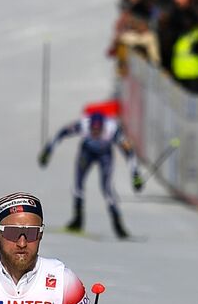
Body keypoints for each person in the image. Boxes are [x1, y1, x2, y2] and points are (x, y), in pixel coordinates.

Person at [38, 101, 140, 238]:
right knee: (78, 184)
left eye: (99, 131)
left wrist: (135, 174)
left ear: (103, 126)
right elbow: (62, 133)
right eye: (93, 131)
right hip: (87, 152)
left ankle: (118, 226)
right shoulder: (83, 125)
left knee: (107, 188)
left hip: (105, 154)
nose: (96, 133)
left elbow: (129, 152)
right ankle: (77, 220)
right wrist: (48, 151)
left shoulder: (113, 129)